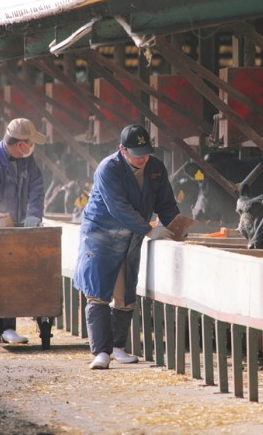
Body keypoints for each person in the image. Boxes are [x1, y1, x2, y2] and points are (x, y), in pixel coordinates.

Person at [73, 124, 180, 369]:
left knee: (125, 292)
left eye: (146, 152)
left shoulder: (155, 168)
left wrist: (176, 227)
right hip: (101, 234)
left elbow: (165, 203)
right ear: (122, 149)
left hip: (132, 234)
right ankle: (100, 352)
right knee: (98, 292)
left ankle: (118, 347)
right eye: (136, 152)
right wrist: (149, 229)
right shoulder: (108, 169)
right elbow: (117, 206)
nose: (142, 158)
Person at [0, 117, 46, 346]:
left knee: (11, 272)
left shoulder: (27, 160)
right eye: (29, 143)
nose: (32, 147)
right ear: (19, 143)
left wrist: (34, 214)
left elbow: (36, 187)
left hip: (14, 224)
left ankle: (8, 328)